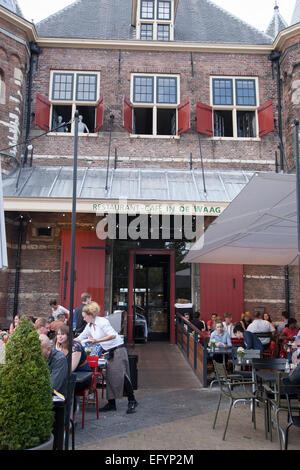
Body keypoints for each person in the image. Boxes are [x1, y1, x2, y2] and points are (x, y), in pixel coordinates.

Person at [75, 301, 138, 414]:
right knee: (109, 377)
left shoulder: (102, 322)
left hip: (118, 349)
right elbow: (81, 337)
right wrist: (68, 342)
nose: (83, 319)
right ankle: (111, 403)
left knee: (122, 375)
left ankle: (132, 400)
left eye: (84, 317)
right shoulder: (90, 326)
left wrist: (96, 341)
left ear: (90, 315)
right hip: (110, 351)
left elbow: (112, 335)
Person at [54, 324, 92, 393]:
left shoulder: (75, 346)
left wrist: (59, 353)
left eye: (62, 334)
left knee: (62, 385)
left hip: (81, 376)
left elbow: (71, 369)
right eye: (58, 334)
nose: (60, 336)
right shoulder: (57, 345)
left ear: (68, 335)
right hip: (65, 376)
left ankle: (68, 403)